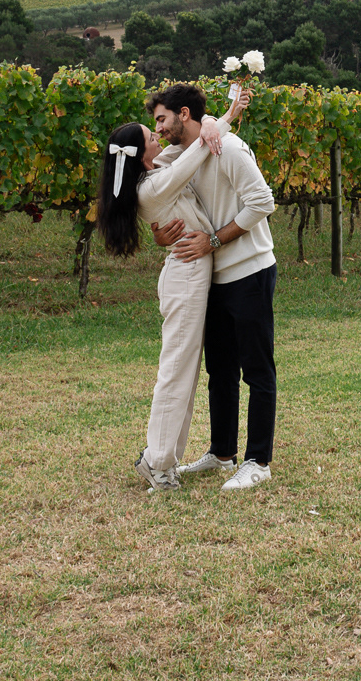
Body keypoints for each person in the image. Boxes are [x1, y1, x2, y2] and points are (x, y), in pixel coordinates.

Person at [96, 88, 243, 493]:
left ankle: (164, 459)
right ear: (140, 153)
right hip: (186, 278)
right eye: (152, 136)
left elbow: (190, 142)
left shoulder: (156, 170)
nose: (159, 136)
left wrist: (209, 120)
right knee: (176, 372)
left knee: (184, 372)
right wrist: (227, 117)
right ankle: (157, 462)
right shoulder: (152, 186)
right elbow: (196, 154)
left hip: (189, 275)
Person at [146, 83, 278, 492]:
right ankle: (222, 453)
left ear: (184, 114)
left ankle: (258, 461)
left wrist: (215, 240)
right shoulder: (181, 154)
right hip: (215, 275)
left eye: (162, 119)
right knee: (220, 370)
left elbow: (263, 202)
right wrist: (160, 235)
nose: (159, 129)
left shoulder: (230, 148)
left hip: (250, 269)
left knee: (256, 368)